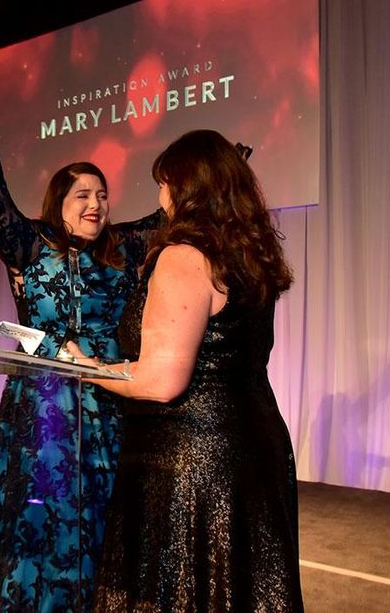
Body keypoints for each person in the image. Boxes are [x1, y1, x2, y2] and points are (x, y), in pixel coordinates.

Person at [69, 129, 303, 611]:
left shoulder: (184, 257)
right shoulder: (247, 257)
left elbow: (162, 381)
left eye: (163, 184)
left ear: (184, 187)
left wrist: (88, 369)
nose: (160, 197)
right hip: (253, 448)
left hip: (191, 464)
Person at [0, 95, 162, 612]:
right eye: (83, 194)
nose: (96, 203)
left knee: (107, 513)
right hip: (45, 406)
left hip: (110, 401)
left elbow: (169, 215)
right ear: (59, 202)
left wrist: (220, 172)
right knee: (43, 515)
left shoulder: (123, 247)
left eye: (103, 194)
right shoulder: (30, 246)